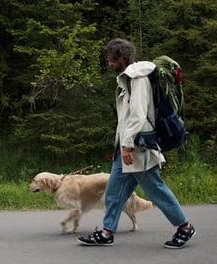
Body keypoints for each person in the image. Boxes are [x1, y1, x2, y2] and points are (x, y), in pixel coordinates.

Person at [77, 38, 195, 249]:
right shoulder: (128, 78)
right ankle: (107, 232)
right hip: (126, 147)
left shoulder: (138, 78)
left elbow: (138, 114)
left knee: (156, 190)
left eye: (111, 59)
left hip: (138, 147)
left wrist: (127, 145)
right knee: (113, 191)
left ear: (122, 57)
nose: (109, 63)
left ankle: (184, 227)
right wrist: (120, 145)